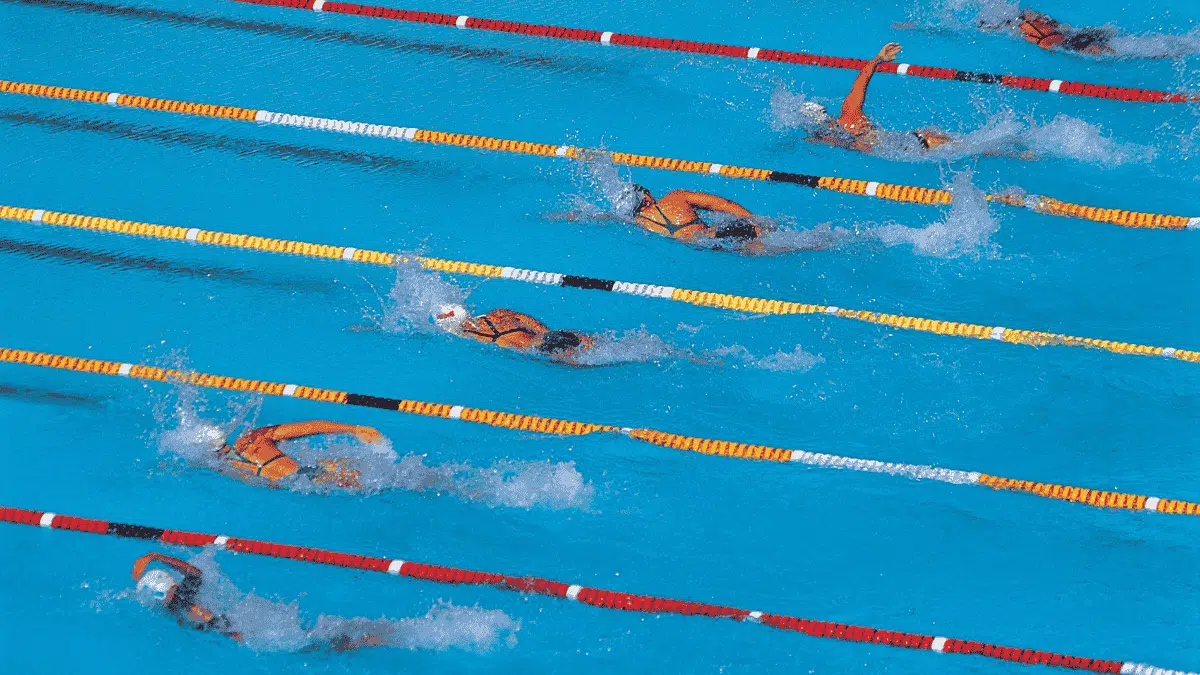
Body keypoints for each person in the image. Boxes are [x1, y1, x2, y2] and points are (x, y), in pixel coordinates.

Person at [132, 553, 385, 651]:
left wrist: (232, 634)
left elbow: (195, 577)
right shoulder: (178, 598)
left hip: (241, 631)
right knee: (310, 642)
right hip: (239, 625)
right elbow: (194, 576)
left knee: (311, 646)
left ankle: (369, 638)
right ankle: (363, 637)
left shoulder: (178, 602)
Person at [805, 42, 954, 154]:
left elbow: (860, 84)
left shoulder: (845, 125)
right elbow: (860, 82)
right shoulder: (849, 113)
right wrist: (877, 59)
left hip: (910, 148)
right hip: (915, 138)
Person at [216, 421, 383, 488]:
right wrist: (353, 429)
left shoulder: (222, 466)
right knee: (370, 481)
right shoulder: (253, 439)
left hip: (298, 485)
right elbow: (311, 427)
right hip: (308, 475)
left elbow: (268, 484)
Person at [435, 305, 593, 363]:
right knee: (591, 345)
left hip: (539, 350)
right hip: (546, 337)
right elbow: (527, 320)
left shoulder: (471, 336)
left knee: (580, 363)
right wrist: (547, 333)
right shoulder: (498, 314)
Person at [629, 185, 766, 251]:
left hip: (696, 248)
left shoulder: (639, 222)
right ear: (646, 197)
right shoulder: (675, 197)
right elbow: (723, 204)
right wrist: (753, 220)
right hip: (714, 236)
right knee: (761, 235)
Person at [982, 9, 1115, 56]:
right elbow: (1056, 24)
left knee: (1094, 49)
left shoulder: (1016, 28)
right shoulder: (1030, 17)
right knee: (1102, 37)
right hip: (1065, 37)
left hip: (1059, 43)